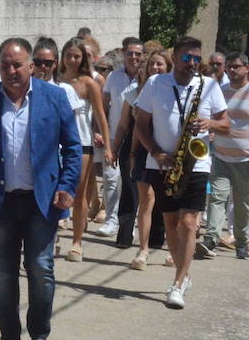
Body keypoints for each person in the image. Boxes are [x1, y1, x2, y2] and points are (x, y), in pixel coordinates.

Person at [0, 38, 80, 340]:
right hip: (1, 201)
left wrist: (68, 185)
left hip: (42, 201)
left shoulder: (55, 98)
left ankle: (39, 338)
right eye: (5, 65)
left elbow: (72, 148)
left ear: (31, 66)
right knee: (4, 275)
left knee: (41, 269)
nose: (11, 71)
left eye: (18, 65)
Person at [133, 36, 229, 310]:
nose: (193, 63)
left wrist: (210, 122)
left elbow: (227, 124)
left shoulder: (208, 86)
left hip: (196, 163)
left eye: (197, 58)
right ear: (175, 58)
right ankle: (184, 274)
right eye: (187, 58)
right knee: (171, 225)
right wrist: (156, 152)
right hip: (163, 164)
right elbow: (140, 123)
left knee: (189, 223)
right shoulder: (155, 83)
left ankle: (177, 283)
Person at [198, 54, 249, 260]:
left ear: (247, 68)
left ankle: (242, 241)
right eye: (230, 67)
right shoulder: (219, 92)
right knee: (217, 198)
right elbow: (214, 119)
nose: (233, 71)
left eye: (237, 67)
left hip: (246, 160)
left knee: (243, 203)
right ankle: (211, 239)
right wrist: (213, 130)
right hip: (220, 156)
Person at [57, 37, 111, 261]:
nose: (71, 60)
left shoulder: (88, 83)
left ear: (83, 58)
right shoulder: (55, 79)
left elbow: (100, 116)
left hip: (81, 143)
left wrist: (108, 147)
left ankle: (77, 242)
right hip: (54, 143)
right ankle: (52, 237)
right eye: (68, 55)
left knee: (78, 194)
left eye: (76, 56)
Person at [30, 38, 85, 256]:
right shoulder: (23, 89)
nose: (43, 67)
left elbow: (71, 133)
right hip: (30, 162)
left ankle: (49, 244)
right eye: (39, 62)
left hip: (54, 159)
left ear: (56, 64)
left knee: (49, 211)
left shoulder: (63, 91)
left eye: (48, 63)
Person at [125, 49, 172, 266]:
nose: (155, 68)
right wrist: (134, 152)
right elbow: (137, 128)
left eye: (160, 64)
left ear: (168, 67)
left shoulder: (176, 90)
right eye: (152, 64)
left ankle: (173, 250)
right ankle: (143, 250)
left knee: (171, 202)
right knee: (147, 200)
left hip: (170, 153)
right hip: (145, 151)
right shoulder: (142, 92)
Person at [96, 38, 143, 240]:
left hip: (137, 140)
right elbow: (103, 106)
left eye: (137, 54)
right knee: (110, 179)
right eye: (130, 53)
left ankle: (129, 221)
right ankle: (110, 220)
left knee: (131, 183)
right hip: (113, 136)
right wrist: (100, 131)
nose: (133, 57)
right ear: (124, 55)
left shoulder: (147, 79)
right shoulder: (114, 77)